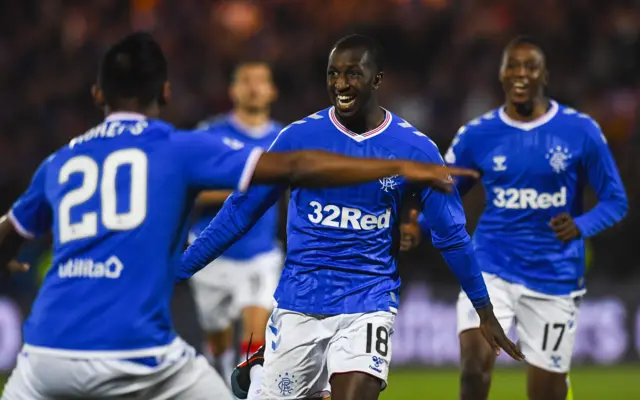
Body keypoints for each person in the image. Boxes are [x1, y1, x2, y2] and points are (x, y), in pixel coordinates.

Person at [0, 32, 479, 400]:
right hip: (146, 347)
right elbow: (275, 180)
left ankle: (258, 369)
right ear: (164, 92)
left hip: (45, 351)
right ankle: (256, 377)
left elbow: (9, 233)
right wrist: (396, 167)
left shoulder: (58, 161)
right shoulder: (184, 145)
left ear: (96, 94)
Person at [179, 34, 524, 400]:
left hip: (369, 299)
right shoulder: (298, 138)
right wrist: (178, 269)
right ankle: (265, 373)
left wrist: (483, 309)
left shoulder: (416, 149)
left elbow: (452, 236)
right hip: (301, 302)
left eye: (352, 74)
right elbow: (238, 212)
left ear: (377, 79)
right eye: (333, 74)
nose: (340, 84)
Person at [400, 36, 628, 400]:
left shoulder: (580, 131)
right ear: (502, 74)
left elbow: (616, 201)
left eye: (530, 67)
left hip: (554, 276)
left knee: (545, 394)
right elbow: (446, 195)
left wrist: (581, 226)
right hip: (492, 267)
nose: (520, 74)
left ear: (545, 75)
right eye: (512, 66)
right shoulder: (477, 135)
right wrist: (418, 226)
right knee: (474, 370)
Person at [188, 61, 283, 382]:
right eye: (246, 80)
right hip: (210, 253)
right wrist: (248, 185)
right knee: (217, 337)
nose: (254, 87)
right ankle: (221, 362)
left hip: (259, 255)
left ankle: (248, 386)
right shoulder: (209, 135)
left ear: (272, 91)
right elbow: (192, 190)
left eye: (261, 81)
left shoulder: (284, 139)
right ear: (233, 90)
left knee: (256, 339)